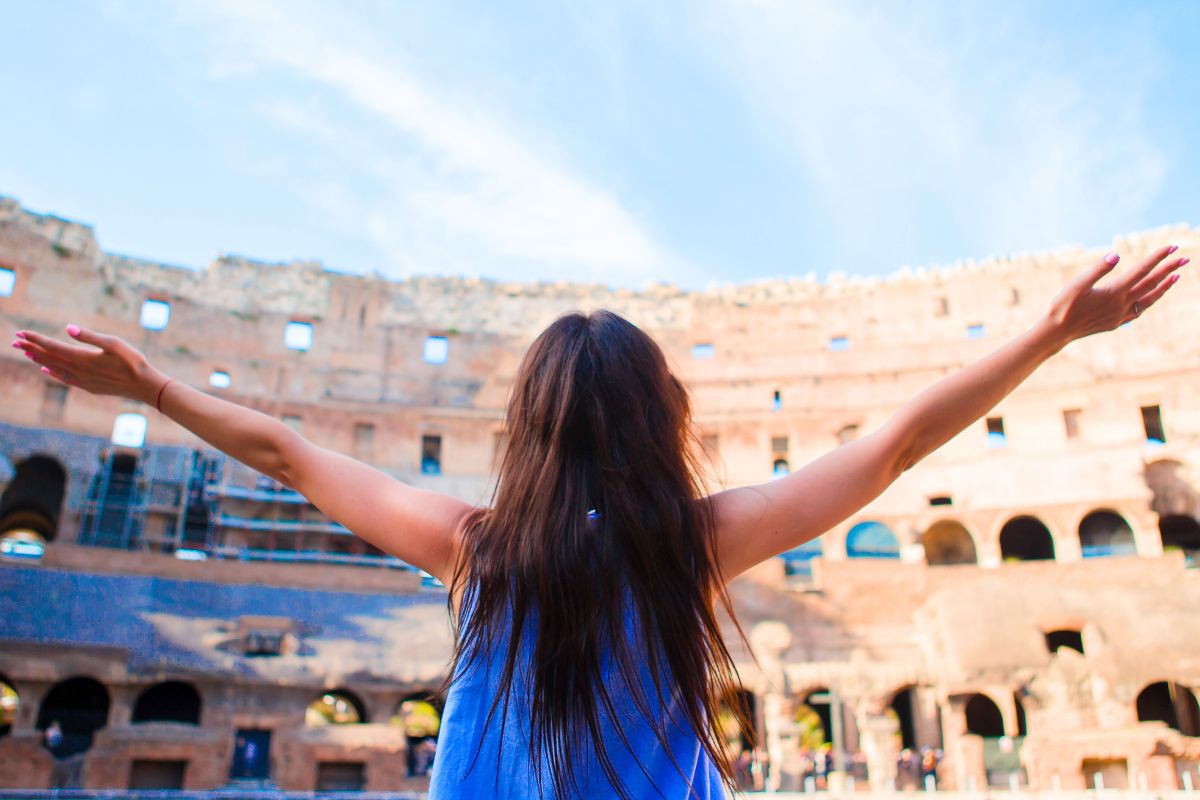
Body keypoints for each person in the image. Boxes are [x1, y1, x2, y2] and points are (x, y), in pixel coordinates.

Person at [9, 245, 1186, 798]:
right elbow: (896, 449)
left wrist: (153, 390)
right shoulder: (696, 542)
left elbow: (283, 450)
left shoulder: (470, 548)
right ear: (659, 419)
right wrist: (1051, 335)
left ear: (523, 427)